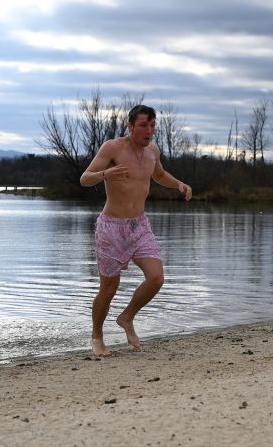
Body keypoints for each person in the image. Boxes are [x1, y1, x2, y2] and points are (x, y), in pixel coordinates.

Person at [80, 104, 192, 356]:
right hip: (111, 228)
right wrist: (106, 173)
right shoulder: (112, 148)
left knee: (156, 278)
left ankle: (127, 317)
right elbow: (84, 178)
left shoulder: (153, 150)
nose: (149, 131)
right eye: (143, 125)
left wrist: (179, 184)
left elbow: (159, 174)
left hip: (139, 225)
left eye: (152, 126)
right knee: (108, 288)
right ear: (130, 126)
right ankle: (97, 336)